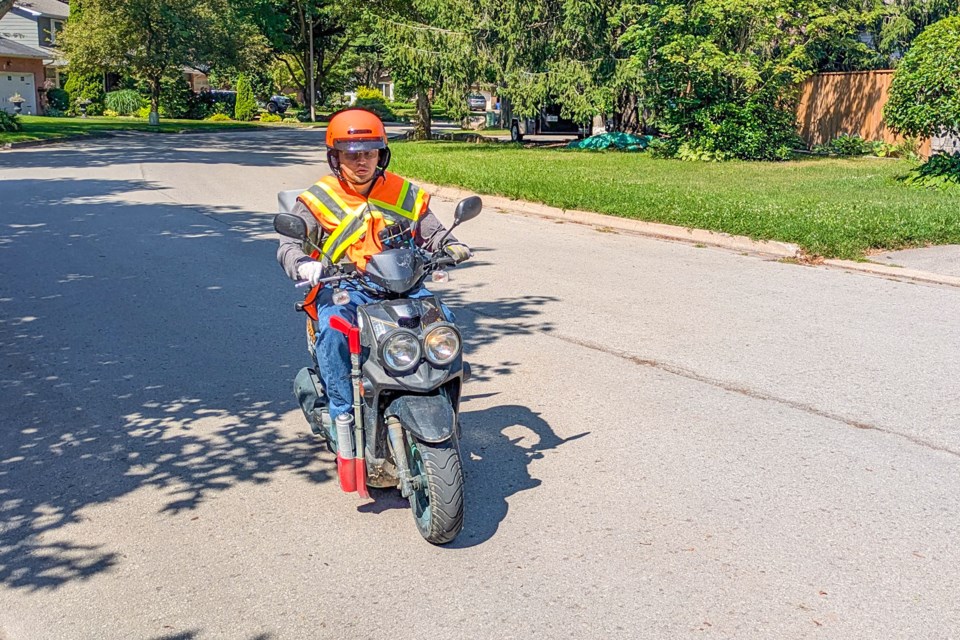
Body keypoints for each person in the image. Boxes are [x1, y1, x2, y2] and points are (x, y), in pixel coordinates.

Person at [277, 108, 471, 433]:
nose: (362, 162)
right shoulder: (318, 199)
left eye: (369, 153)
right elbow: (287, 246)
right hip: (347, 286)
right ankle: (343, 414)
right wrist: (303, 263)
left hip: (401, 283)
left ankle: (442, 397)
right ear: (334, 157)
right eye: (351, 155)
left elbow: (433, 232)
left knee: (444, 321)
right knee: (333, 332)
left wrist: (450, 245)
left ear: (382, 153)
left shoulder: (401, 191)